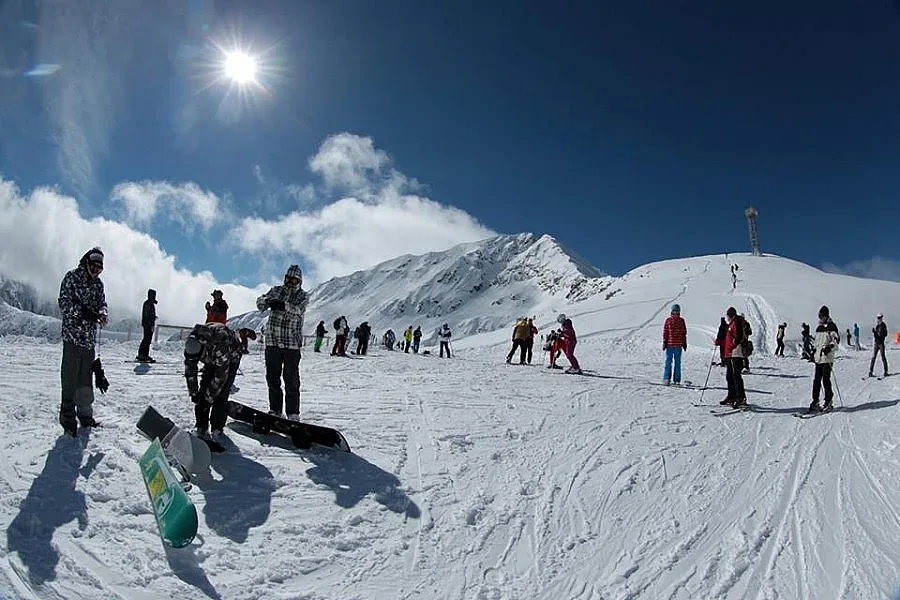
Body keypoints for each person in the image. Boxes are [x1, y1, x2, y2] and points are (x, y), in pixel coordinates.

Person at [57, 247, 109, 437]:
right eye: (94, 266)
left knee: (85, 380)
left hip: (88, 341)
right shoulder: (72, 277)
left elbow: (102, 303)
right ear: (87, 262)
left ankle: (86, 417)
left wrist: (102, 314)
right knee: (70, 379)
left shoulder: (99, 285)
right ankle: (68, 420)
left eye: (100, 268)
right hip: (72, 338)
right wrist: (84, 313)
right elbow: (64, 304)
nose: (96, 271)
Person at [183, 323, 255, 443]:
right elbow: (190, 371)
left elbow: (220, 378)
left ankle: (217, 428)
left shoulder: (219, 344)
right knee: (203, 389)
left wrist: (208, 399)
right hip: (212, 356)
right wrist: (194, 392)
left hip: (231, 357)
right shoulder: (192, 344)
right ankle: (201, 426)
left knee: (221, 393)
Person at [256, 265, 308, 419]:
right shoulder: (276, 290)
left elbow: (298, 310)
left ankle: (293, 413)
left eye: (294, 280)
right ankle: (275, 410)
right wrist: (268, 301)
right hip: (272, 341)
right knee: (272, 377)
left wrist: (283, 305)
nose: (290, 282)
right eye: (288, 279)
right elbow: (259, 303)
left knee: (291, 379)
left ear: (299, 281)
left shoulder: (303, 296)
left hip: (291, 344)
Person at [810, 305, 840, 413]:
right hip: (818, 358)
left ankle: (829, 401)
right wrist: (813, 350)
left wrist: (829, 347)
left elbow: (836, 341)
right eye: (819, 316)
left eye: (822, 316)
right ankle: (815, 401)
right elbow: (816, 342)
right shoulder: (819, 328)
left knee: (826, 380)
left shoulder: (832, 326)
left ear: (826, 316)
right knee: (816, 380)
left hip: (827, 358)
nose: (820, 318)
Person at [720, 307, 747, 407]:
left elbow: (738, 337)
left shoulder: (736, 322)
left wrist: (733, 344)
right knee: (730, 376)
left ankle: (741, 397)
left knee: (736, 376)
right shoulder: (731, 323)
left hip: (736, 353)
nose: (727, 316)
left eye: (728, 314)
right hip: (730, 353)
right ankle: (732, 396)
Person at [662, 304, 687, 385]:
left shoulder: (681, 321)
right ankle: (666, 378)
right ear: (671, 311)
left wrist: (684, 342)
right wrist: (665, 342)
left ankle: (677, 379)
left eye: (677, 311)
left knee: (677, 363)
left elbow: (684, 332)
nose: (675, 312)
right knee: (668, 362)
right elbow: (665, 332)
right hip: (669, 345)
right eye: (674, 311)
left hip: (678, 345)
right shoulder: (668, 320)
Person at [137, 288, 157, 362]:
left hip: (148, 324)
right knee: (147, 340)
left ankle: (143, 354)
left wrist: (153, 318)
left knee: (147, 339)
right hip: (148, 325)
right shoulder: (148, 304)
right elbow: (147, 315)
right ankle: (143, 355)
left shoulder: (149, 303)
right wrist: (151, 321)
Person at [869, 313, 889, 378]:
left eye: (879, 317)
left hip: (881, 343)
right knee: (873, 357)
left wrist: (880, 334)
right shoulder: (877, 326)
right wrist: (874, 332)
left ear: (881, 318)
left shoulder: (883, 325)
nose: (878, 319)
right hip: (876, 343)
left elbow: (885, 334)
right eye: (878, 318)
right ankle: (870, 371)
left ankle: (886, 371)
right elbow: (876, 336)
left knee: (883, 357)